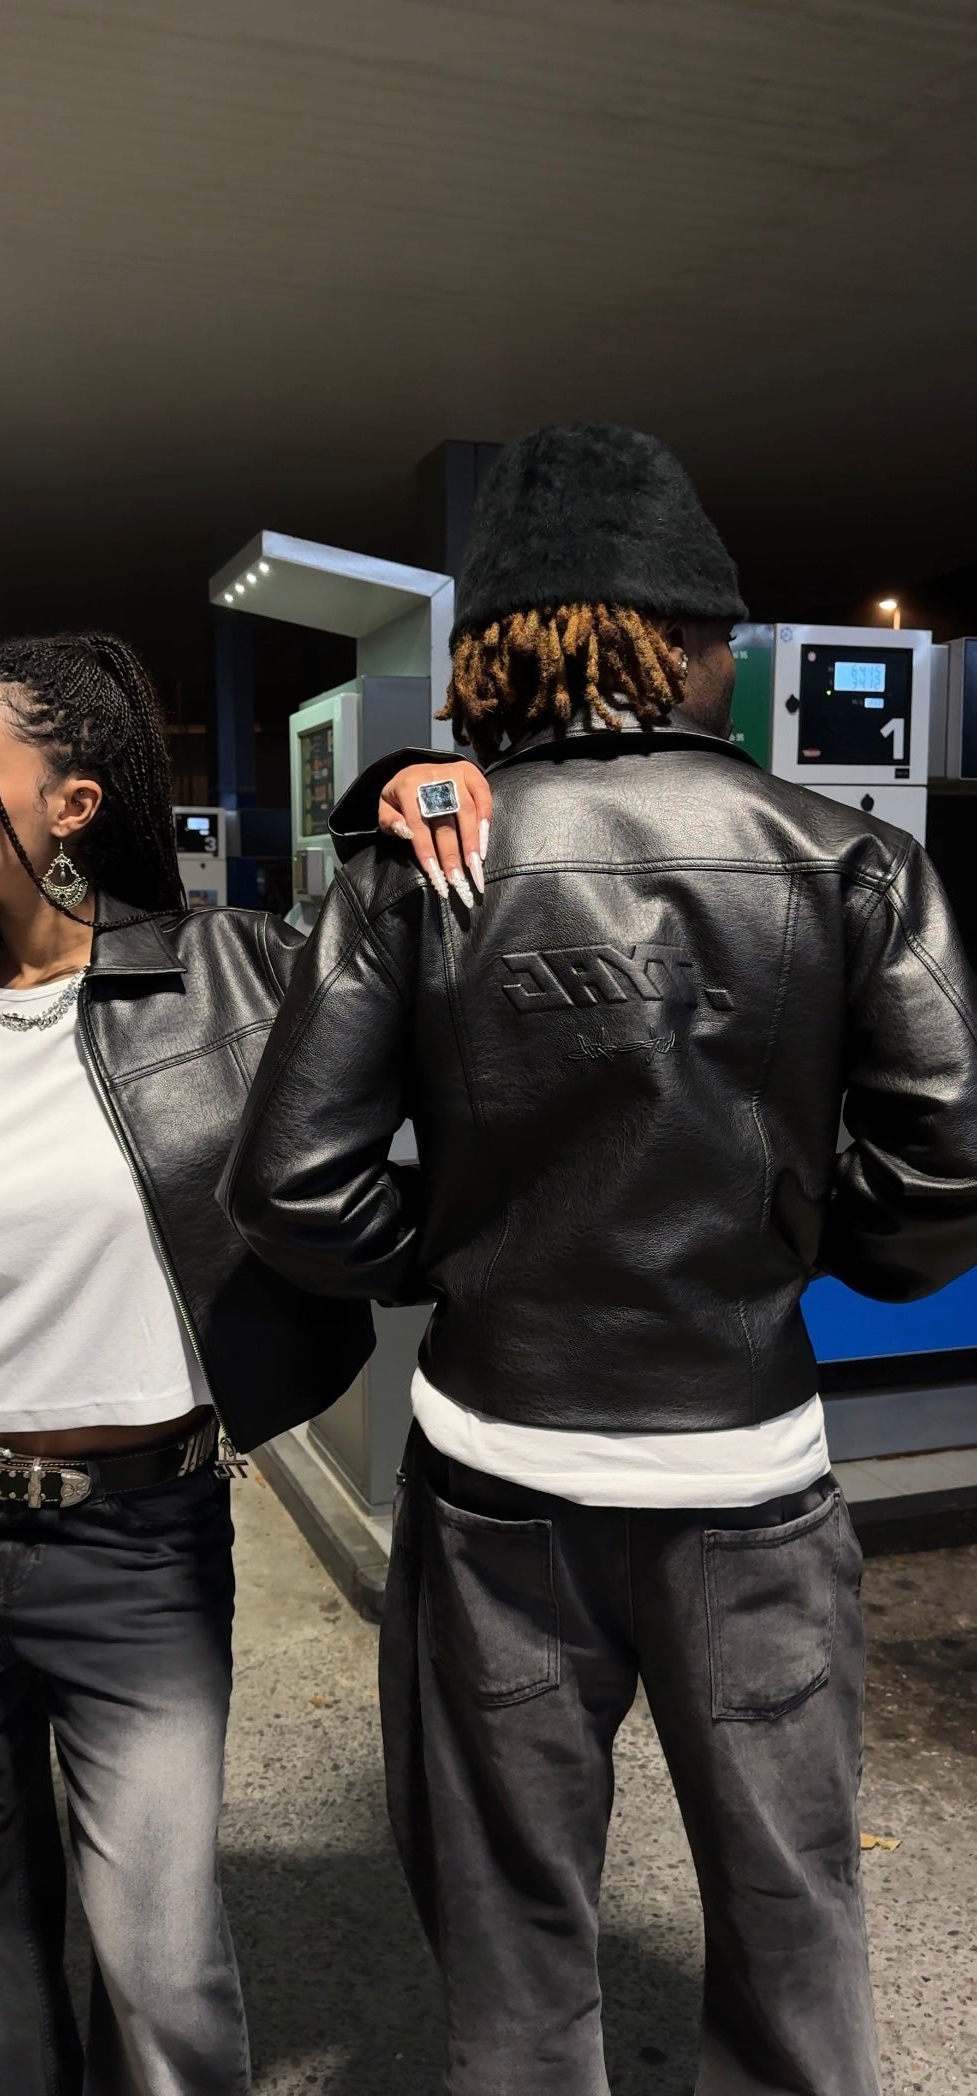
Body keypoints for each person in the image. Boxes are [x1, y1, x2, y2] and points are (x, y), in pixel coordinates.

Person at [220, 425, 977, 2096]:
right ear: (683, 640)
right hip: (750, 1476)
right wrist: (788, 1249)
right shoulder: (850, 858)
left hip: (498, 1481)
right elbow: (949, 1172)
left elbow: (292, 1188)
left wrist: (468, 1255)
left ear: (502, 649)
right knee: (792, 1919)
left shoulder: (417, 871)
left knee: (511, 1931)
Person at [0, 628, 485, 2096]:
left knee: (160, 1958)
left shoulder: (237, 980)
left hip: (139, 1549)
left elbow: (398, 932)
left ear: (74, 803)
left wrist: (406, 778)